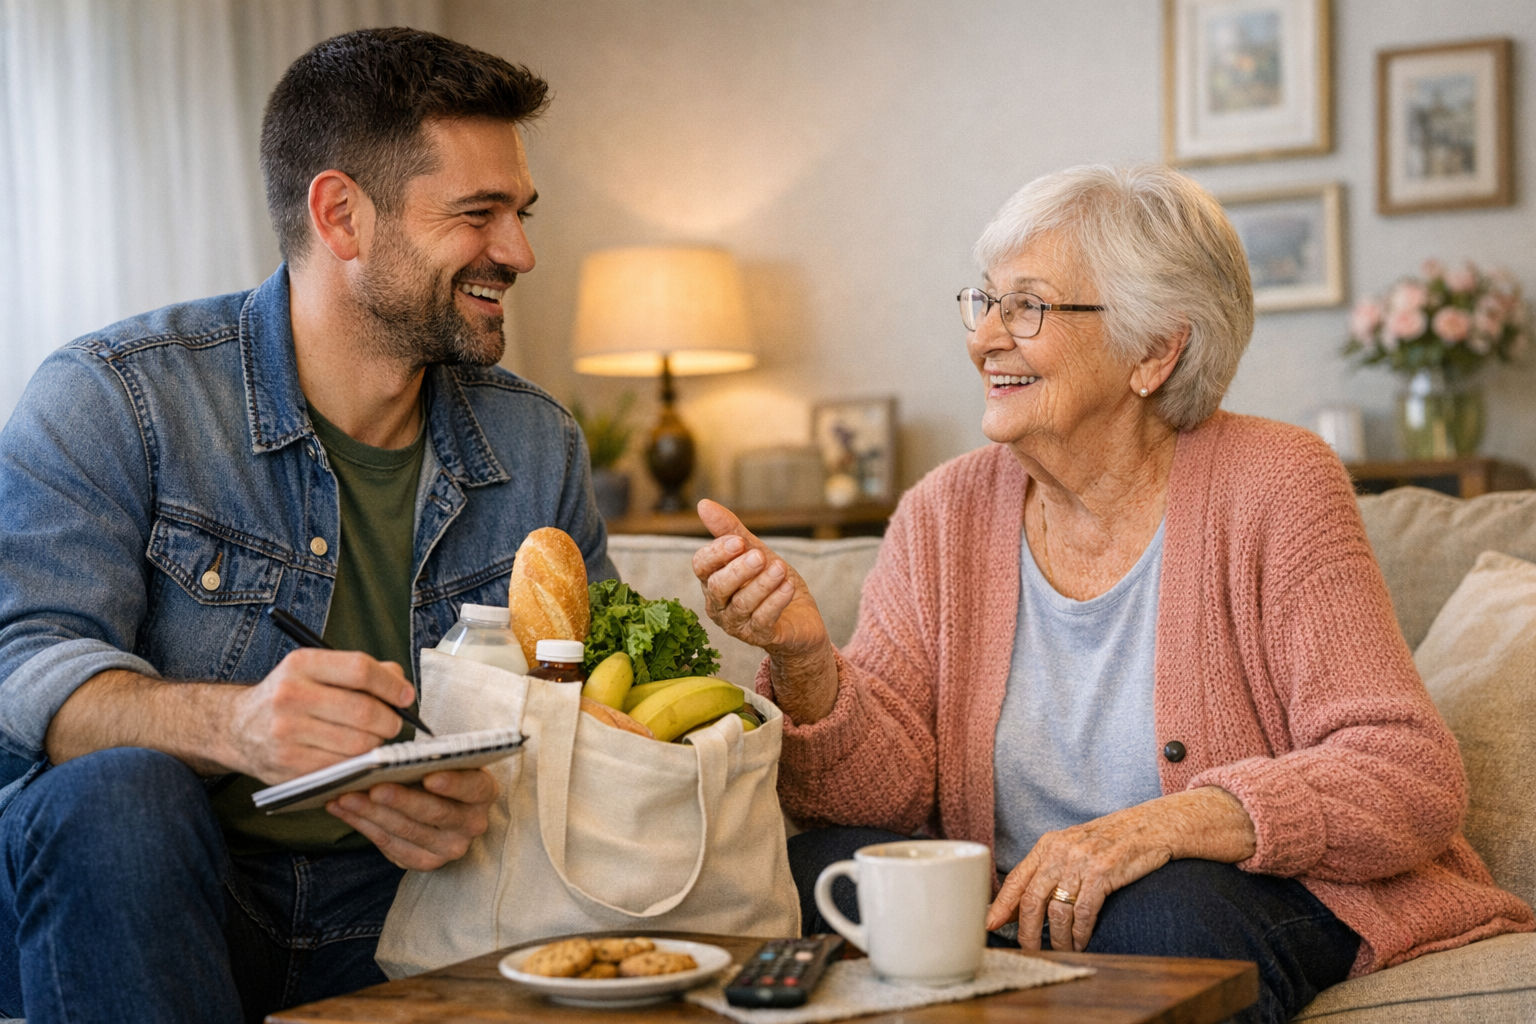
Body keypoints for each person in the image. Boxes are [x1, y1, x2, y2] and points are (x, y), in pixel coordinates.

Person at [692, 164, 1533, 1023]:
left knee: (1163, 917)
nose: (987, 336)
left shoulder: (1276, 483)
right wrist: (803, 662)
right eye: (984, 301)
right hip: (1014, 910)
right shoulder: (942, 512)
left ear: (1154, 351)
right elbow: (878, 802)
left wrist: (1161, 828)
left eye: (1029, 307)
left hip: (1230, 897)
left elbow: (1405, 774)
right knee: (813, 872)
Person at [0, 27, 615, 1024]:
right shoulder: (115, 398)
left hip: (412, 903)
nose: (520, 250)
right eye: (478, 213)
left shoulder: (536, 444)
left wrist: (487, 795)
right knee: (120, 803)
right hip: (159, 889)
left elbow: (592, 697)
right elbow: (22, 664)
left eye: (521, 212)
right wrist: (236, 726)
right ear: (342, 214)